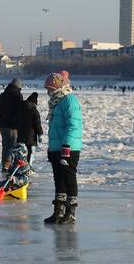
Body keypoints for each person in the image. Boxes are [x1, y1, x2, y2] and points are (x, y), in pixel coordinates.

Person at [43, 70, 83, 225]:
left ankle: (70, 212)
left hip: (69, 148)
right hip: (56, 147)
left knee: (69, 178)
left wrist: (66, 147)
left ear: (57, 88)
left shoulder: (69, 101)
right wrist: (52, 149)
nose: (48, 92)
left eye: (50, 89)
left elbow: (74, 126)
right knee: (58, 179)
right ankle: (58, 211)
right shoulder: (56, 101)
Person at [0, 78, 23, 172]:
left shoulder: (3, 95)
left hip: (3, 125)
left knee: (5, 145)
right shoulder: (18, 95)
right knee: (12, 146)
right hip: (13, 126)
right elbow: (20, 111)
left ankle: (4, 164)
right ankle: (8, 164)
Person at [17, 92, 43, 164]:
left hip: (20, 134)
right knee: (31, 152)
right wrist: (40, 134)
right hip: (30, 136)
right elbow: (37, 123)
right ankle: (28, 167)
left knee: (22, 153)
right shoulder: (34, 111)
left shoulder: (20, 109)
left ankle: (20, 166)